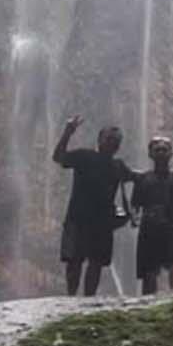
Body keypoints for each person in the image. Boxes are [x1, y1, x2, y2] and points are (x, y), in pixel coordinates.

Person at [51, 114, 133, 297]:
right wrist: (67, 133)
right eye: (109, 139)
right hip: (77, 218)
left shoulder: (118, 166)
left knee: (96, 262)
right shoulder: (84, 156)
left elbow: (137, 178)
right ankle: (70, 298)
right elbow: (58, 157)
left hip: (103, 222)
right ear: (99, 140)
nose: (113, 143)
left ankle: (89, 299)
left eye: (116, 140)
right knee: (74, 260)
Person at [131, 135, 173, 295]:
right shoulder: (143, 179)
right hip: (149, 229)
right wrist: (135, 217)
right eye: (157, 150)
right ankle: (147, 305)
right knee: (149, 271)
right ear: (150, 154)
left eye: (164, 150)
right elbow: (135, 204)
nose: (161, 153)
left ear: (171, 153)